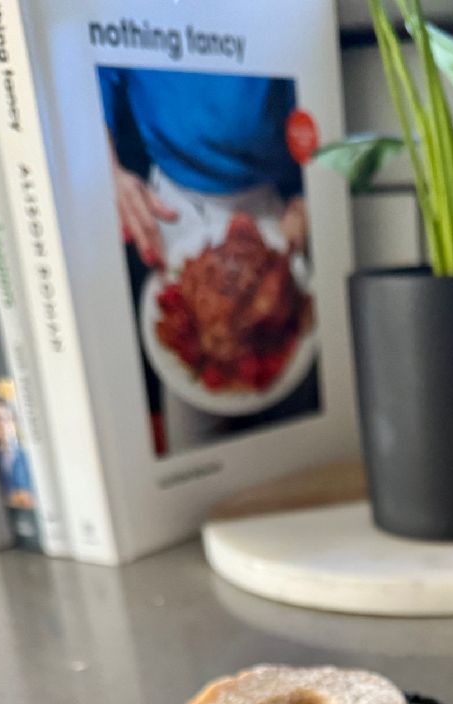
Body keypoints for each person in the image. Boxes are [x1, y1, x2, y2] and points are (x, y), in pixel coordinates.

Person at [101, 68, 313, 450]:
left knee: (293, 418)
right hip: (173, 203)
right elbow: (83, 78)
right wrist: (107, 169)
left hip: (275, 203)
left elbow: (315, 85)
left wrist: (307, 195)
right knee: (193, 431)